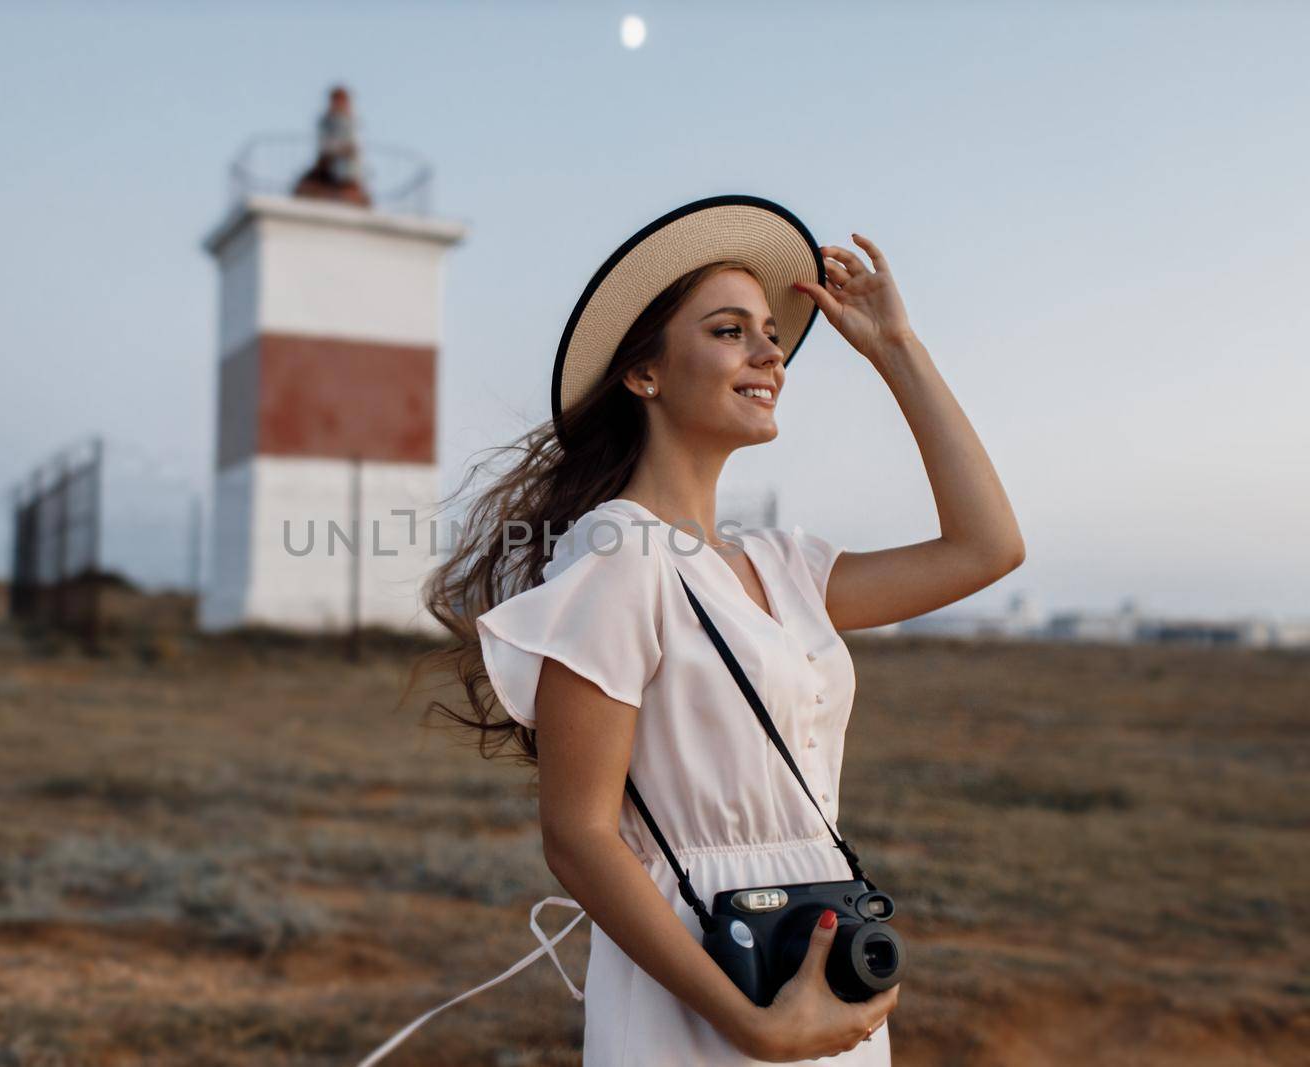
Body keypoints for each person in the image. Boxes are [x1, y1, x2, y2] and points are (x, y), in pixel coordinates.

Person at [392, 194, 1025, 1065]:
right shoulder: (617, 558)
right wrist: (745, 1021)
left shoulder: (784, 567)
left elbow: (988, 546)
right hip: (699, 989)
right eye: (730, 330)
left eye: (770, 331)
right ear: (642, 373)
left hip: (818, 957)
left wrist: (896, 351)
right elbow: (577, 836)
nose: (770, 352)